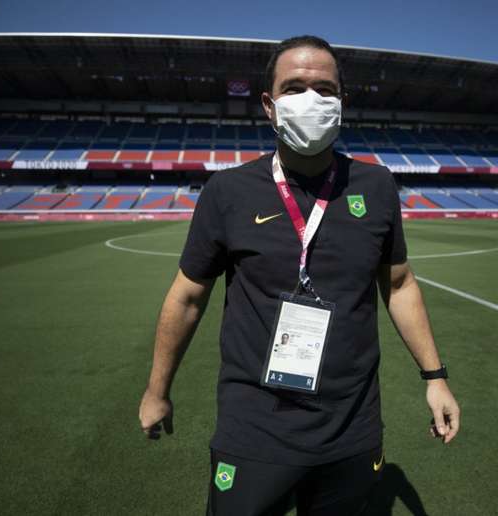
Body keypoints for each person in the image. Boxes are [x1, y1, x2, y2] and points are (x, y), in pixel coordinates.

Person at [138, 35, 460, 516]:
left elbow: (398, 284)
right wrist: (157, 390)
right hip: (254, 425)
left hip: (351, 426)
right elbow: (187, 297)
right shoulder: (227, 191)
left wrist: (435, 377)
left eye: (325, 89)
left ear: (342, 103)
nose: (311, 100)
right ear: (268, 105)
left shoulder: (375, 186)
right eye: (293, 88)